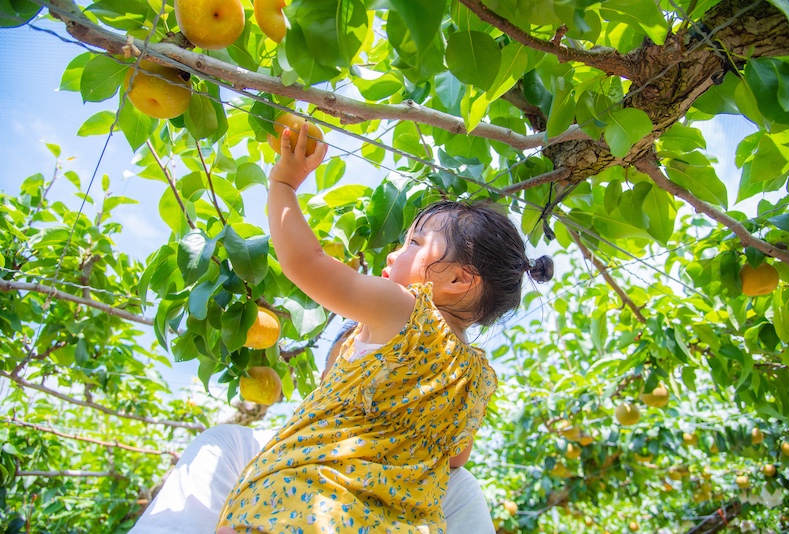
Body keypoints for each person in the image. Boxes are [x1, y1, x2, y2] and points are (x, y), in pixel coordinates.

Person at [216, 123, 554, 533]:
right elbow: (456, 457)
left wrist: (283, 184)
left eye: (414, 243)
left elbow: (306, 262)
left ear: (458, 281)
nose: (396, 252)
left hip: (305, 503)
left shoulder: (406, 309)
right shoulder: (479, 377)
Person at [130, 323, 497, 533]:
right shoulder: (233, 451)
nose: (381, 395)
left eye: (403, 384)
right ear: (324, 382)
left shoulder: (449, 488)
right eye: (358, 374)